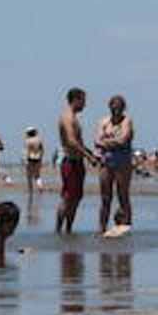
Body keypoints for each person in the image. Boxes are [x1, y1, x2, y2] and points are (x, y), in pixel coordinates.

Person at [56, 87, 100, 234]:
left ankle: (68, 230)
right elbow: (71, 141)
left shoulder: (73, 117)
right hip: (70, 161)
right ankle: (58, 230)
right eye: (83, 101)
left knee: (76, 198)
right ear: (76, 100)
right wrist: (88, 157)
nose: (85, 105)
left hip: (77, 161)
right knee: (68, 198)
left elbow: (78, 142)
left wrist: (90, 153)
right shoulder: (67, 117)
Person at [95, 94, 135, 235]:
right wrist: (111, 141)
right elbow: (97, 141)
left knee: (123, 195)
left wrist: (107, 141)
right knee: (105, 197)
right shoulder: (103, 121)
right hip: (106, 161)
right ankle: (102, 229)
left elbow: (123, 140)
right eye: (113, 108)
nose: (116, 110)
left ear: (123, 108)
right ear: (109, 107)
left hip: (123, 162)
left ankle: (126, 226)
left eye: (118, 108)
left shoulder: (127, 121)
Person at [23, 127, 45, 204]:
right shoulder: (39, 140)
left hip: (30, 158)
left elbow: (27, 151)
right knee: (37, 175)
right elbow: (42, 150)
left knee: (29, 176)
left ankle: (30, 191)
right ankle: (40, 187)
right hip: (38, 158)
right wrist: (41, 158)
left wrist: (25, 160)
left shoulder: (28, 141)